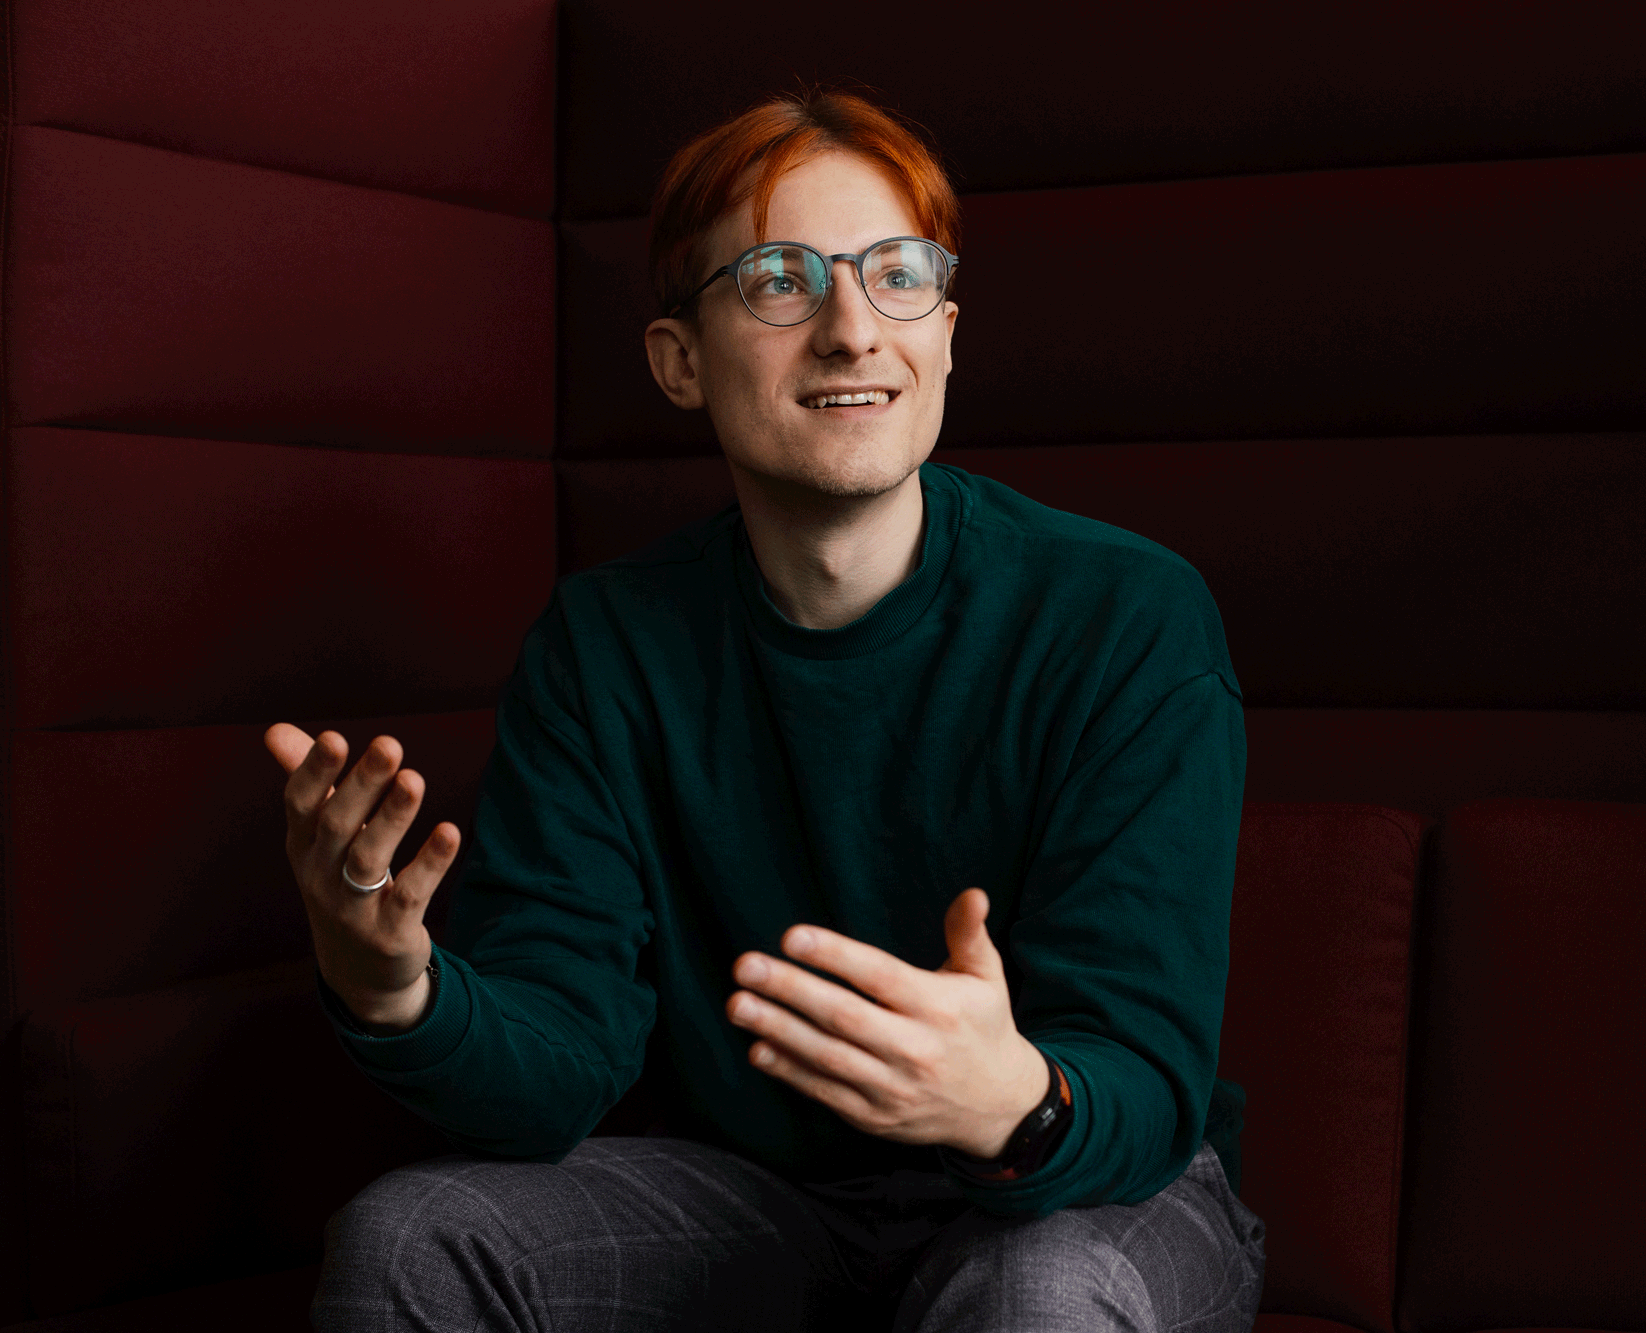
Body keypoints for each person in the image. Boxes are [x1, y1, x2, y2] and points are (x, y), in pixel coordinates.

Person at [268, 90, 1262, 1332]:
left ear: (945, 335)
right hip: (767, 1203)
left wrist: (1011, 1098)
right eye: (780, 280)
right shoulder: (605, 648)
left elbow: (1146, 1081)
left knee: (1037, 1293)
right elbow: (554, 1069)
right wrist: (393, 986)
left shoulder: (1124, 617)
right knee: (411, 1240)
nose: (851, 330)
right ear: (679, 360)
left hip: (1084, 1193)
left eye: (897, 276)